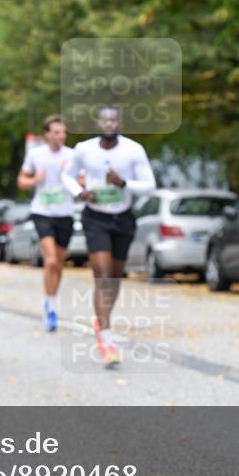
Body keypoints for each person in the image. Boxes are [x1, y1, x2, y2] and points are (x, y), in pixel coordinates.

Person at [62, 106, 156, 367]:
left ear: (120, 123)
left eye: (113, 119)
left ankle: (101, 318)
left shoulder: (133, 150)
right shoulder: (83, 148)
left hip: (123, 218)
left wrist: (124, 183)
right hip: (95, 217)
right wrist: (81, 193)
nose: (109, 123)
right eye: (104, 119)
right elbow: (66, 177)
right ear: (98, 122)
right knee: (102, 276)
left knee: (114, 279)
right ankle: (106, 337)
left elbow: (150, 186)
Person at [17, 115, 76, 332]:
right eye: (57, 132)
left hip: (65, 212)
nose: (61, 136)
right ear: (47, 134)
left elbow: (83, 182)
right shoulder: (35, 154)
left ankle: (51, 299)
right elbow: (21, 181)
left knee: (58, 263)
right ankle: (51, 307)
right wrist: (35, 180)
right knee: (50, 260)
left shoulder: (72, 155)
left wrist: (69, 176)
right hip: (42, 211)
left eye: (64, 132)